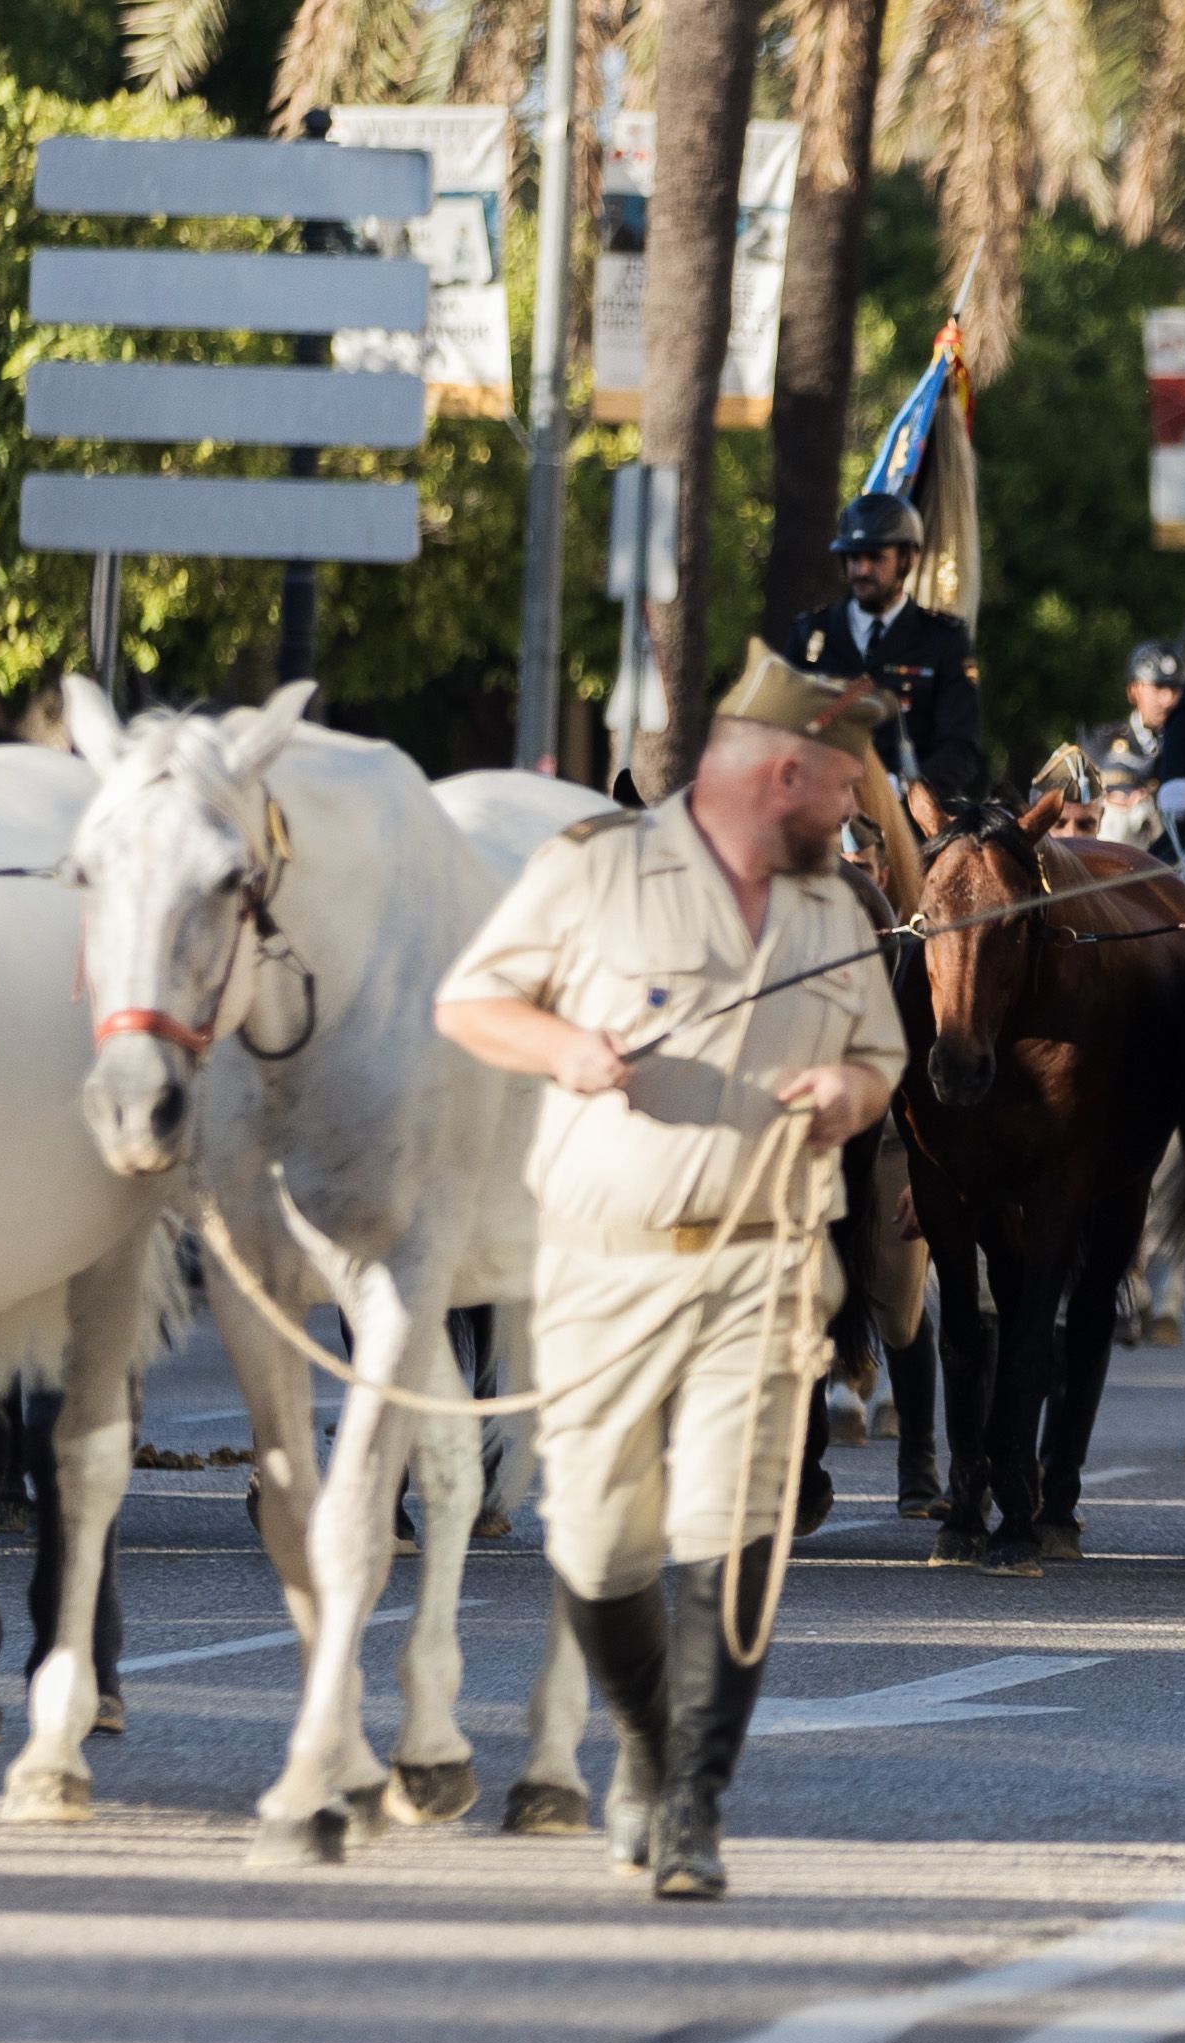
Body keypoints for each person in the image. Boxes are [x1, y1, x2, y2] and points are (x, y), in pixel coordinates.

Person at [434, 643, 912, 1900]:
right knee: (596, 1542)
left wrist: (847, 1092)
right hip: (604, 1265)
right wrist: (561, 1047)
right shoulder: (595, 871)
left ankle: (695, 1797)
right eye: (844, 784)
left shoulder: (829, 906)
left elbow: (883, 1058)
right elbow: (469, 1004)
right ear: (780, 774)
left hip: (764, 1270)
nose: (858, 809)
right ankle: (644, 1737)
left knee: (731, 1534)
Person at [776, 491, 987, 798]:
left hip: (908, 816)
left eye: (875, 558)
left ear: (907, 559)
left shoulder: (943, 639)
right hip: (821, 809)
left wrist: (904, 789)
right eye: (853, 558)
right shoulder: (812, 634)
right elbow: (782, 728)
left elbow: (961, 749)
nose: (861, 570)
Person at [1079, 639, 1185, 842]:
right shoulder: (1101, 743)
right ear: (1133, 690)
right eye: (1158, 687)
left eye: (1175, 689)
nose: (1167, 699)